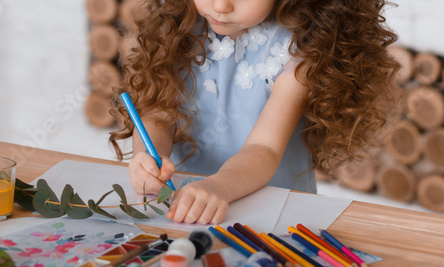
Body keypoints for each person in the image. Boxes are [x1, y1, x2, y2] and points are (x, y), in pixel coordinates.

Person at [109, 0, 400, 225]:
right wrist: (145, 156)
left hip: (271, 215)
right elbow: (160, 115)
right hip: (186, 209)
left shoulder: (303, 50)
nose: (221, 5)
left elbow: (265, 147)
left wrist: (218, 188)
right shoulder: (181, 28)